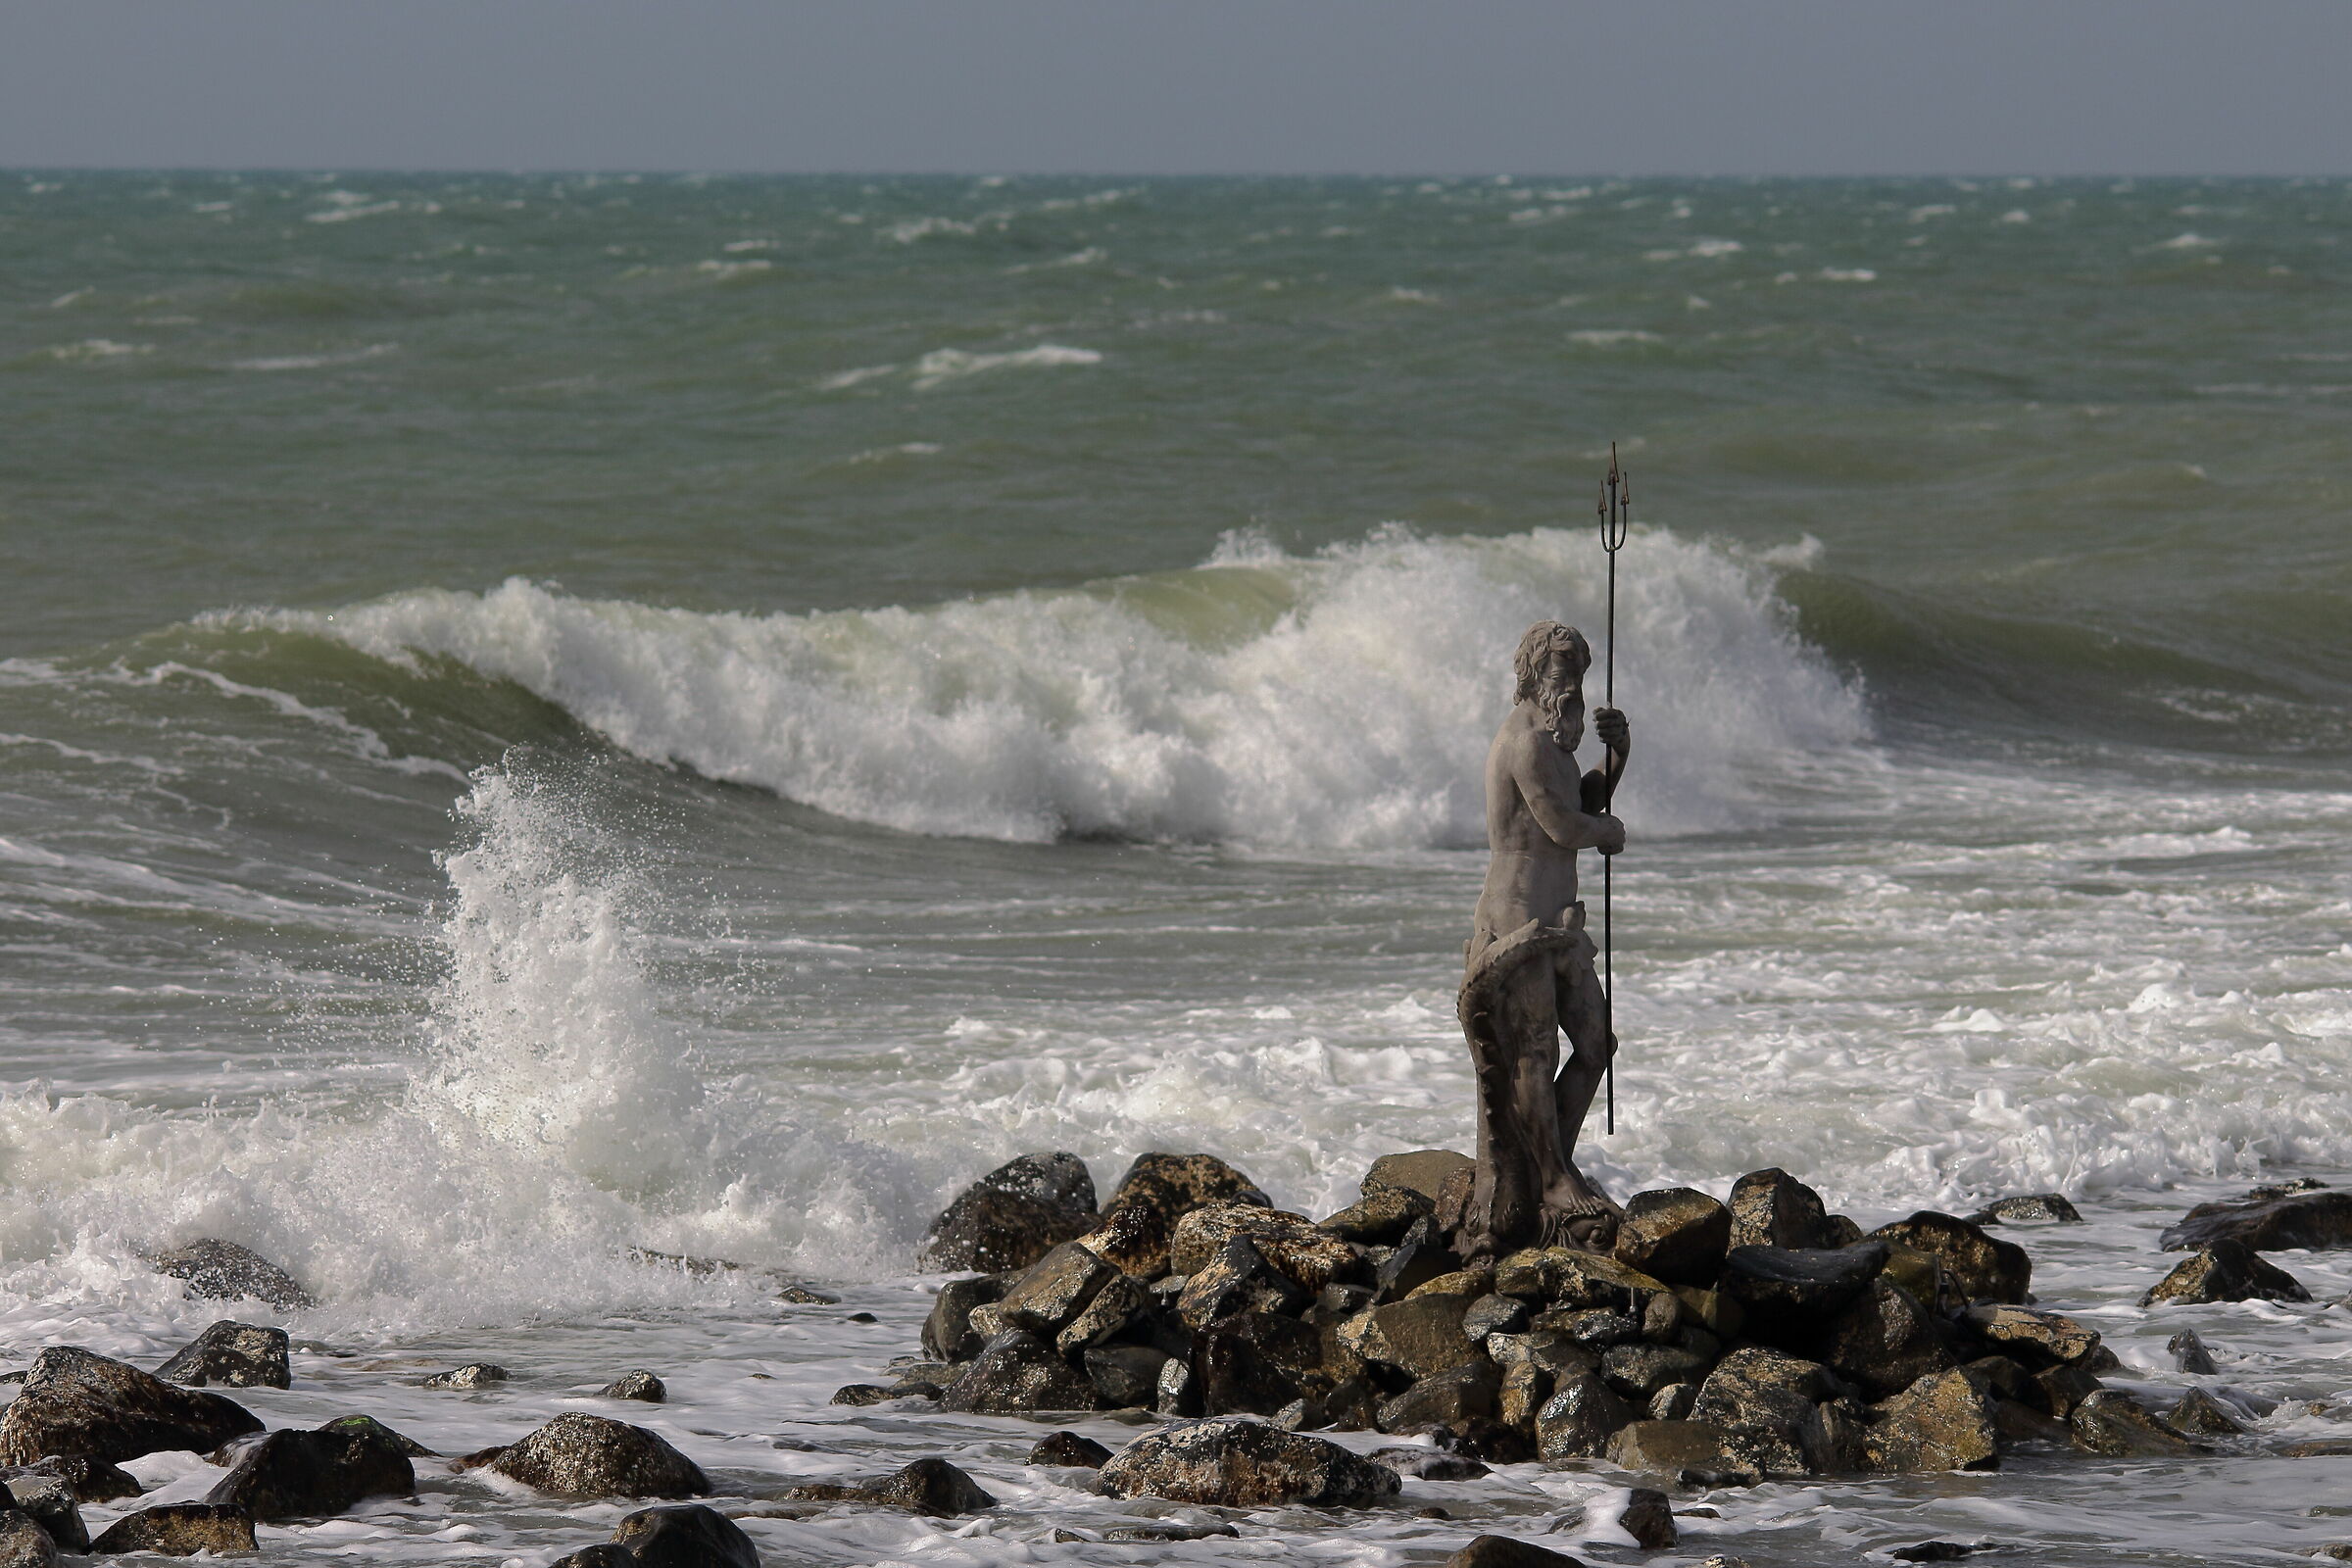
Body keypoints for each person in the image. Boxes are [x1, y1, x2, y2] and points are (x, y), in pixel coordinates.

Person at [1451, 619, 1630, 1259]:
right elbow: (1561, 825)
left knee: (1594, 1042)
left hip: (1561, 922)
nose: (1573, 684)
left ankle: (1549, 1167)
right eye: (1562, 671)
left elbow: (1582, 797)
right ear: (1532, 672)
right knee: (1531, 1054)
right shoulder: (1525, 743)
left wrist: (1616, 754)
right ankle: (1552, 1182)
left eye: (1579, 672)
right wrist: (1607, 832)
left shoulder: (1559, 739)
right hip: (1518, 918)